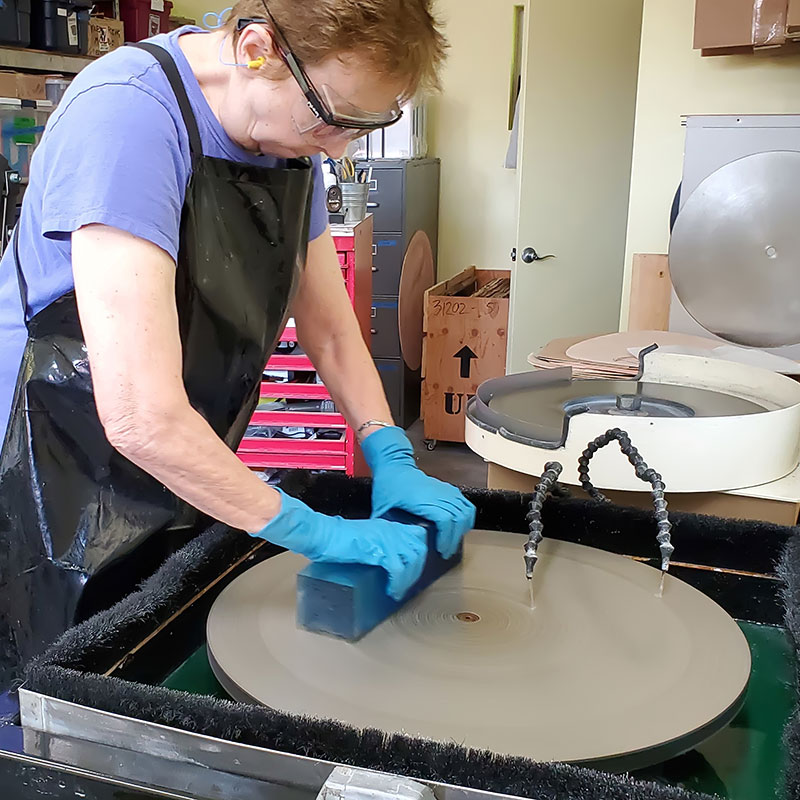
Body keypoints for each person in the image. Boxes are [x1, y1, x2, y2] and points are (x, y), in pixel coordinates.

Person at [0, 0, 474, 684]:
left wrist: (389, 451)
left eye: (366, 125)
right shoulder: (128, 117)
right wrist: (318, 533)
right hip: (46, 460)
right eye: (335, 118)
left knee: (152, 652)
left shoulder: (284, 130)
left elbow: (333, 330)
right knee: (51, 684)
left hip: (172, 447)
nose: (339, 148)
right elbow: (139, 414)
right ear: (258, 49)